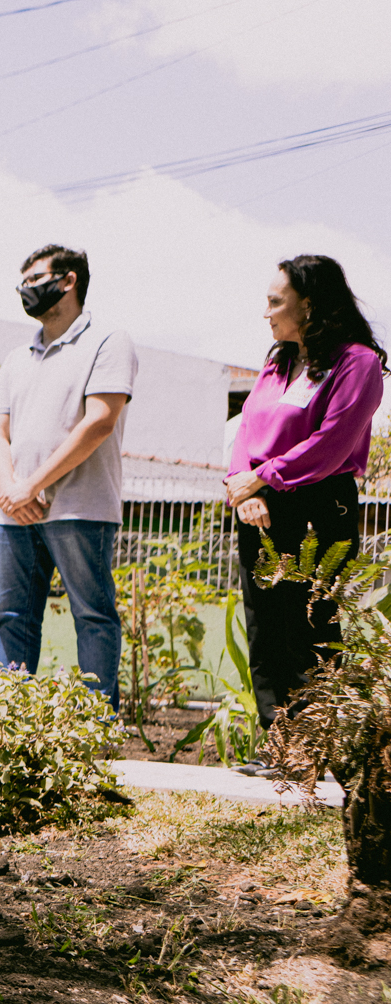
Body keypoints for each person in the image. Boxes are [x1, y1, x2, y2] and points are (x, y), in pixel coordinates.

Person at [225, 254, 386, 776]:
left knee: (313, 622)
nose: (267, 312)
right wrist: (241, 486)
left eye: (277, 302)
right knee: (266, 621)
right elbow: (246, 426)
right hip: (260, 500)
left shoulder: (356, 362)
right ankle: (278, 747)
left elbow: (333, 443)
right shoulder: (277, 362)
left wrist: (264, 476)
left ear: (310, 304)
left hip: (320, 499)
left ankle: (316, 750)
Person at [0, 245, 135, 710]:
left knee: (92, 616)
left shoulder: (109, 340)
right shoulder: (17, 358)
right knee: (12, 617)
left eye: (35, 278)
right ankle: (9, 727)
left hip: (80, 508)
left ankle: (93, 731)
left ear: (68, 281)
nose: (26, 288)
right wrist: (12, 490)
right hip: (15, 513)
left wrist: (32, 485)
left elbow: (99, 421)